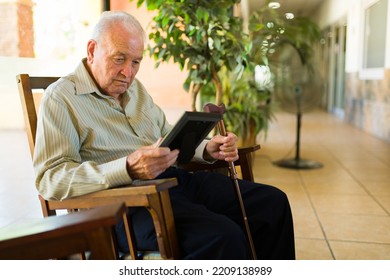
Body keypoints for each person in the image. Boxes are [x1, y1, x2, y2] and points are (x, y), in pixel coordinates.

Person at [33, 11, 295, 260]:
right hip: (125, 204)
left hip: (173, 184)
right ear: (92, 50)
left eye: (136, 62)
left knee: (272, 205)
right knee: (223, 237)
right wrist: (127, 168)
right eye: (119, 59)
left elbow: (168, 137)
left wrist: (206, 149)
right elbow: (50, 180)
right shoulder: (61, 99)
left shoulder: (136, 90)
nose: (128, 73)